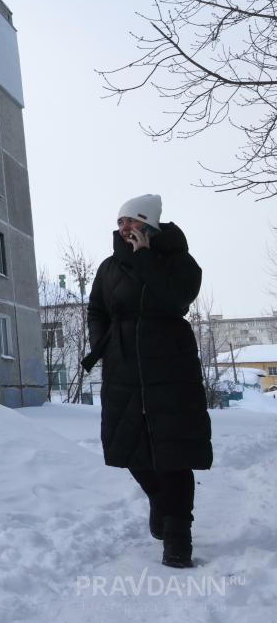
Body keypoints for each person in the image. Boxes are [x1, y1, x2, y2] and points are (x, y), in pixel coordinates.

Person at [81, 194, 212, 568]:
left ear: (150, 225)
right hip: (124, 368)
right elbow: (96, 310)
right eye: (120, 222)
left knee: (174, 451)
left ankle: (177, 538)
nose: (124, 228)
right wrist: (103, 345)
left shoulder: (180, 262)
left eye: (132, 221)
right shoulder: (109, 267)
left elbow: (175, 299)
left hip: (171, 366)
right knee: (129, 447)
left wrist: (145, 258)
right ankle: (158, 498)